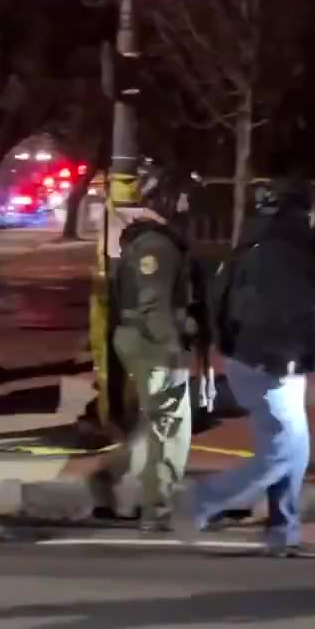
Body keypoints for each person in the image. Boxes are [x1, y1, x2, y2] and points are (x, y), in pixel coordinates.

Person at [176, 173, 315, 557]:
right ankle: (199, 502)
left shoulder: (256, 241)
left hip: (257, 358)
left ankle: (281, 533)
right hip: (270, 363)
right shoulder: (288, 252)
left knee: (295, 448)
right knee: (283, 452)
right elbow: (292, 314)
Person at [96, 160, 202, 531]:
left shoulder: (148, 242)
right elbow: (154, 305)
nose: (188, 206)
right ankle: (158, 506)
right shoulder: (158, 246)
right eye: (185, 198)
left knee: (152, 421)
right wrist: (174, 349)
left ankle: (128, 492)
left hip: (140, 340)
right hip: (154, 344)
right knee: (170, 426)